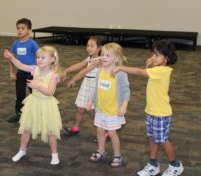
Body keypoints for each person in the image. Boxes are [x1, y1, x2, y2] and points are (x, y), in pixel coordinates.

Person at [112, 40, 184, 176]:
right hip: (151, 111)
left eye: (157, 55)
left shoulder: (163, 71)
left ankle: (175, 165)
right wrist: (151, 62)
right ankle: (153, 164)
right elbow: (147, 69)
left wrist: (121, 68)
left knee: (162, 140)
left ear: (166, 59)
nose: (153, 57)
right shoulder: (157, 70)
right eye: (153, 54)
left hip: (161, 113)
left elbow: (140, 71)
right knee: (152, 138)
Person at [4, 46, 62, 165]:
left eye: (43, 57)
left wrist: (38, 86)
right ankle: (22, 150)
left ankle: (54, 154)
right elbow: (20, 65)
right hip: (33, 103)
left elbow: (50, 92)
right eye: (38, 57)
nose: (39, 60)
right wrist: (11, 57)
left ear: (52, 59)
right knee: (26, 129)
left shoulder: (54, 75)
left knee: (51, 132)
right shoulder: (34, 69)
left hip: (47, 105)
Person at [86, 42, 130, 167]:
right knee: (100, 130)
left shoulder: (120, 74)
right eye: (103, 55)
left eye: (108, 55)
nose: (103, 57)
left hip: (113, 111)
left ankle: (117, 155)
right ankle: (101, 150)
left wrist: (124, 105)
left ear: (116, 58)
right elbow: (96, 89)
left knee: (112, 133)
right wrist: (90, 100)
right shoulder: (99, 72)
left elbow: (126, 91)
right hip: (100, 109)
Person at [61, 36, 103, 135]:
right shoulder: (89, 58)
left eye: (92, 46)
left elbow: (84, 71)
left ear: (100, 48)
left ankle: (104, 131)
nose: (89, 48)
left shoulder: (98, 60)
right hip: (86, 84)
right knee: (80, 108)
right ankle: (76, 127)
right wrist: (66, 70)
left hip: (95, 86)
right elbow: (79, 65)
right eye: (88, 45)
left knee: (97, 111)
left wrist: (73, 80)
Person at [5, 18, 39, 123]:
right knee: (19, 94)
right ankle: (19, 114)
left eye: (23, 28)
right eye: (18, 28)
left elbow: (40, 58)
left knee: (35, 94)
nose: (20, 30)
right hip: (20, 73)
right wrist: (11, 72)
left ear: (29, 30)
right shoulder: (16, 44)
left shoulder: (32, 44)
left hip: (32, 73)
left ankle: (38, 113)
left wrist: (39, 74)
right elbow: (11, 58)